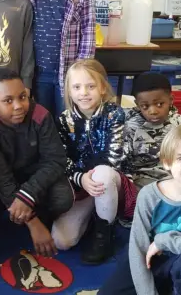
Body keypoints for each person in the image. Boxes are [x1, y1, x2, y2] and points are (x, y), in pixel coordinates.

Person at [101, 124, 181, 295]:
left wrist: (163, 241)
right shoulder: (149, 194)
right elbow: (138, 248)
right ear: (166, 163)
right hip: (153, 259)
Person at [0, 70, 73, 258]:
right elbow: (1, 178)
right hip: (4, 183)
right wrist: (33, 223)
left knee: (63, 196)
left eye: (23, 97)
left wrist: (27, 196)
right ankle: (10, 219)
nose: (19, 106)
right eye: (8, 100)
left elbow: (56, 160)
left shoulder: (41, 116)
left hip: (35, 178)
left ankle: (30, 214)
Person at [51, 59, 130, 264]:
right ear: (69, 90)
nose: (83, 92)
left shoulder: (114, 114)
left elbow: (114, 158)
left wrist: (91, 177)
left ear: (102, 88)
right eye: (77, 87)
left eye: (91, 86)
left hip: (110, 181)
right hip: (82, 185)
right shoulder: (64, 120)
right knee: (61, 241)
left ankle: (105, 231)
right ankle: (93, 215)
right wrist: (80, 178)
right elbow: (61, 158)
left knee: (102, 173)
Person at [22, 0, 95, 117]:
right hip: (38, 75)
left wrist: (81, 77)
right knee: (41, 124)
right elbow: (21, 28)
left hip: (70, 75)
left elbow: (88, 38)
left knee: (69, 123)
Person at [123, 73, 181, 188]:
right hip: (140, 181)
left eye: (159, 104)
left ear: (171, 100)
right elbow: (123, 162)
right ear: (137, 105)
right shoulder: (130, 126)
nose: (153, 111)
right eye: (145, 106)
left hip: (175, 178)